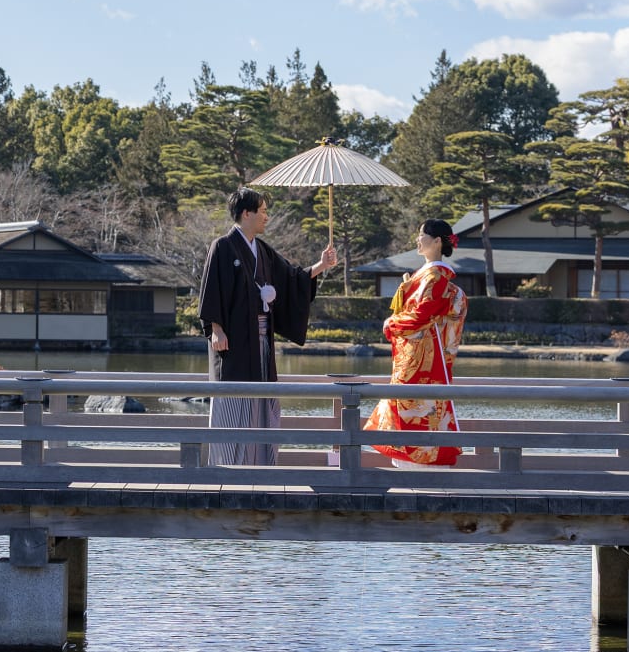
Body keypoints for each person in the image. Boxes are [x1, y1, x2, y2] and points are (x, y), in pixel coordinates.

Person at [198, 186, 338, 465]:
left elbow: (291, 278)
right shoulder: (223, 246)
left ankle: (261, 463)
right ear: (245, 213)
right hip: (234, 341)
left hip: (261, 341)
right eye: (262, 211)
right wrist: (216, 329)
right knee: (234, 398)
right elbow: (211, 289)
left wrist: (321, 266)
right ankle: (227, 465)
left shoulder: (262, 250)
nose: (267, 216)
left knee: (263, 398)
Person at [363, 219, 468, 468]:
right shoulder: (429, 275)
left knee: (421, 407)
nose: (417, 239)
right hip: (414, 356)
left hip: (425, 359)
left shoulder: (436, 276)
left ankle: (422, 463)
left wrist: (391, 324)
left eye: (422, 235)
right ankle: (415, 461)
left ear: (437, 241)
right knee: (413, 406)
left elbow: (422, 315)